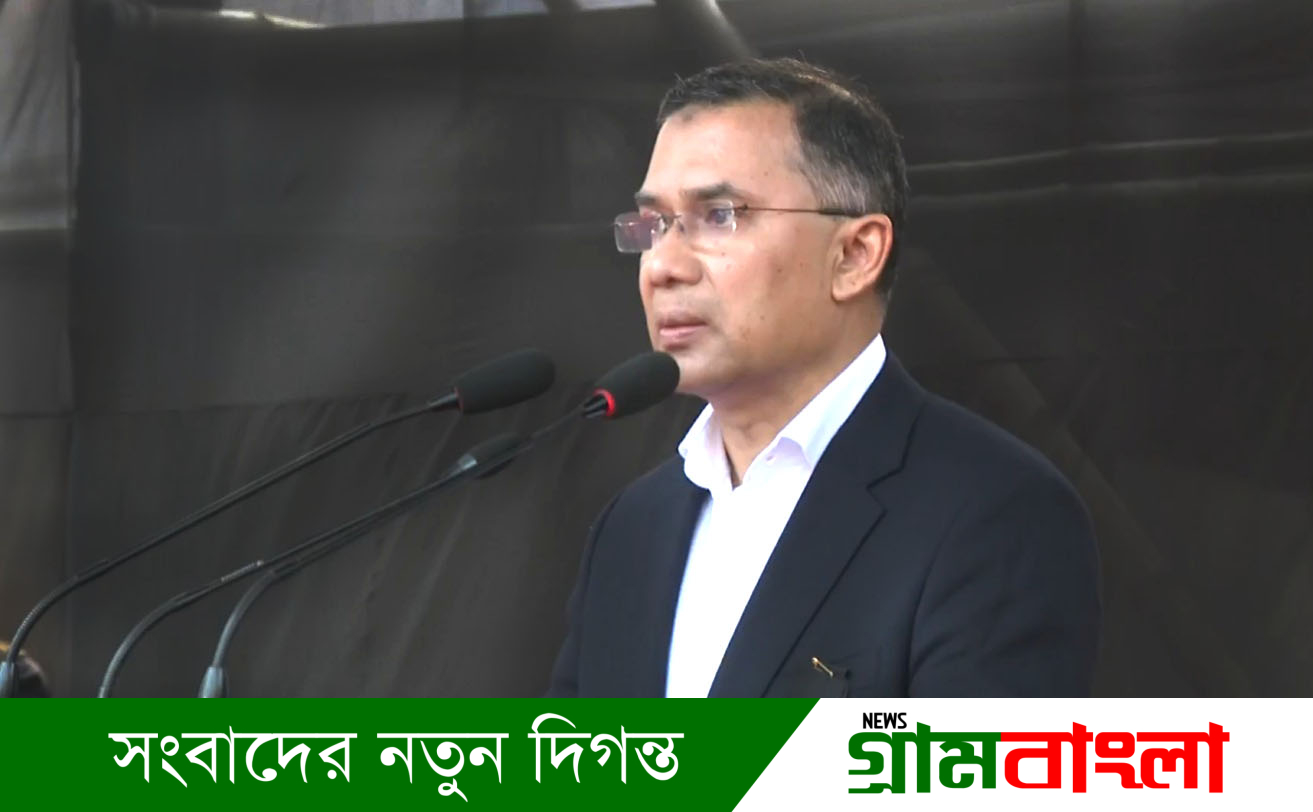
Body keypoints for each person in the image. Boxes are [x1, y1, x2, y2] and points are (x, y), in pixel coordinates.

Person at [548, 58, 1100, 698]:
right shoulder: (633, 527)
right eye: (652, 225)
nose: (661, 267)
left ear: (855, 255)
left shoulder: (995, 513)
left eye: (719, 215)